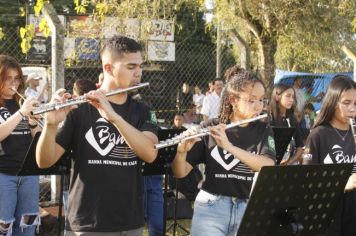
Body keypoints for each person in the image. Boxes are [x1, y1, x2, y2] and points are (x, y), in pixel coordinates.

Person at [36, 35, 159, 236]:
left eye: (140, 66)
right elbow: (44, 161)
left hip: (130, 222)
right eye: (131, 67)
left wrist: (114, 118)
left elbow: (150, 153)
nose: (139, 72)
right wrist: (50, 125)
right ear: (108, 68)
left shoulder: (142, 110)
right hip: (86, 223)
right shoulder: (79, 108)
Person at [171, 65, 276, 236]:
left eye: (262, 100)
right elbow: (180, 172)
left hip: (247, 207)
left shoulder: (263, 129)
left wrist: (229, 147)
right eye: (251, 100)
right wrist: (181, 151)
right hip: (211, 207)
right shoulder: (210, 127)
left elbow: (268, 165)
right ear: (233, 100)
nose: (259, 106)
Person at [302, 75, 356, 236]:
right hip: (328, 207)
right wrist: (342, 183)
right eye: (346, 103)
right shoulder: (319, 134)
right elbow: (307, 179)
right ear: (332, 102)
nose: (352, 109)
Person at [0, 55, 42, 236]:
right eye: (8, 78)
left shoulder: (22, 102)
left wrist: (34, 122)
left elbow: (37, 140)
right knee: (4, 226)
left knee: (27, 225)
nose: (14, 83)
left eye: (16, 78)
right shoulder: (20, 107)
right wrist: (21, 113)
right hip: (3, 174)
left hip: (28, 173)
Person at [269, 83, 304, 165]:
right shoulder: (269, 119)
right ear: (277, 96)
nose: (291, 100)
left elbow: (300, 148)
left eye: (293, 97)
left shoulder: (293, 120)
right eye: (288, 96)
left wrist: (289, 163)